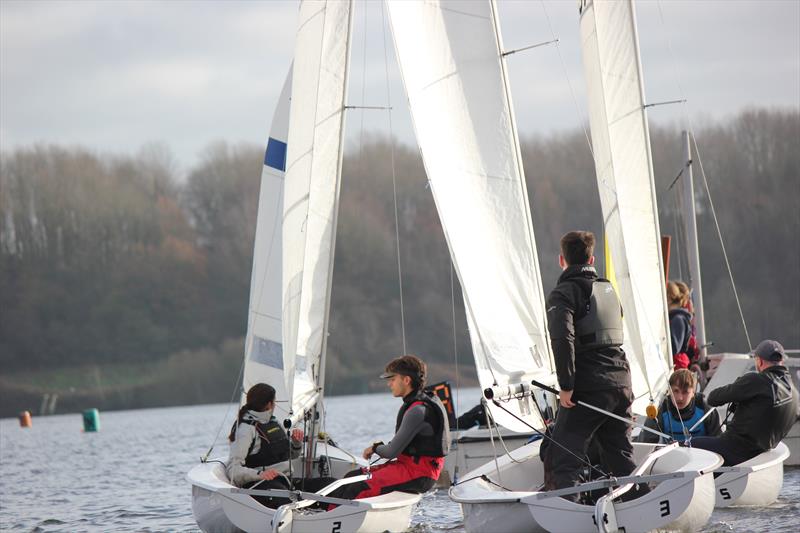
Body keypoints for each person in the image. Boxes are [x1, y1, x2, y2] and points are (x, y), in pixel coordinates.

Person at [543, 231, 638, 498]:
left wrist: (566, 385)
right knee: (620, 457)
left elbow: (563, 339)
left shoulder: (563, 294)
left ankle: (568, 517)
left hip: (588, 387)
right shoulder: (609, 290)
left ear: (562, 260)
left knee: (563, 458)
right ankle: (639, 502)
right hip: (622, 383)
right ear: (592, 258)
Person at [330, 355, 450, 500]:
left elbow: (391, 452)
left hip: (420, 474)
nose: (389, 384)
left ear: (406, 380)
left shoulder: (417, 411)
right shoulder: (415, 405)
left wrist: (374, 448)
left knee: (358, 487)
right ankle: (329, 514)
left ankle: (334, 518)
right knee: (351, 477)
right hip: (408, 467)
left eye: (393, 379)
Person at [691, 339, 799, 466]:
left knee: (688, 445)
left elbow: (713, 398)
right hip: (761, 453)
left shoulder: (756, 380)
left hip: (735, 451)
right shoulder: (794, 393)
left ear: (759, 361)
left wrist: (739, 386)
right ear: (782, 361)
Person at [227, 383, 335, 507]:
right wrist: (260, 475)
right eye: (275, 401)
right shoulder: (246, 429)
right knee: (291, 503)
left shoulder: (272, 421)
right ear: (269, 404)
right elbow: (233, 470)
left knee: (331, 485)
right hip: (261, 486)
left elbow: (291, 455)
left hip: (286, 482)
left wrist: (296, 442)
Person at [639, 368, 721, 443]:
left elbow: (719, 442)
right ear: (669, 390)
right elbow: (645, 444)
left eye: (685, 392)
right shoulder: (659, 409)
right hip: (672, 457)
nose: (680, 398)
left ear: (693, 392)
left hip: (703, 456)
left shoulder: (706, 408)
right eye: (676, 391)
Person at [667, 280, 694, 370]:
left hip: (674, 367)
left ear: (669, 298)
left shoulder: (678, 320)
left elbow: (674, 348)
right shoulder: (676, 318)